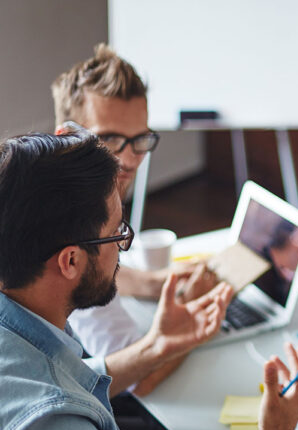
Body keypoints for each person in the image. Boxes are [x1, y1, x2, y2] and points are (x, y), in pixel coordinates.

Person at [0, 133, 298, 430]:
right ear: (70, 261)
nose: (122, 248)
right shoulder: (53, 427)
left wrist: (157, 345)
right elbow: (56, 399)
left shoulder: (23, 321)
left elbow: (66, 380)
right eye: (117, 235)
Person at [51, 44, 218, 395]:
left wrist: (153, 285)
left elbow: (89, 277)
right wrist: (193, 316)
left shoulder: (61, 191)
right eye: (109, 138)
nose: (128, 159)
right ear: (67, 138)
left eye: (139, 139)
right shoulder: (75, 230)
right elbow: (133, 380)